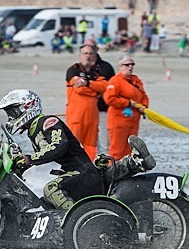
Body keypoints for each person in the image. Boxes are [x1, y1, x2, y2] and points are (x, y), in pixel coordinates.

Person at [0, 89, 155, 210]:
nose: (11, 117)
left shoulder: (48, 122)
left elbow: (58, 147)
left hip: (81, 172)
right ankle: (133, 163)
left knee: (51, 189)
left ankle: (72, 223)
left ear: (28, 107)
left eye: (13, 112)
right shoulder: (34, 130)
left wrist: (30, 158)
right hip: (75, 174)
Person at [103, 56, 149, 161]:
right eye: (127, 65)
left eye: (132, 64)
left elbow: (144, 96)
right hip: (118, 121)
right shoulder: (115, 81)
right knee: (116, 149)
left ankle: (126, 172)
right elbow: (109, 99)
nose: (130, 67)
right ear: (120, 66)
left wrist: (144, 107)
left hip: (133, 120)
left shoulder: (136, 80)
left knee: (130, 149)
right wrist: (128, 103)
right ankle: (113, 172)